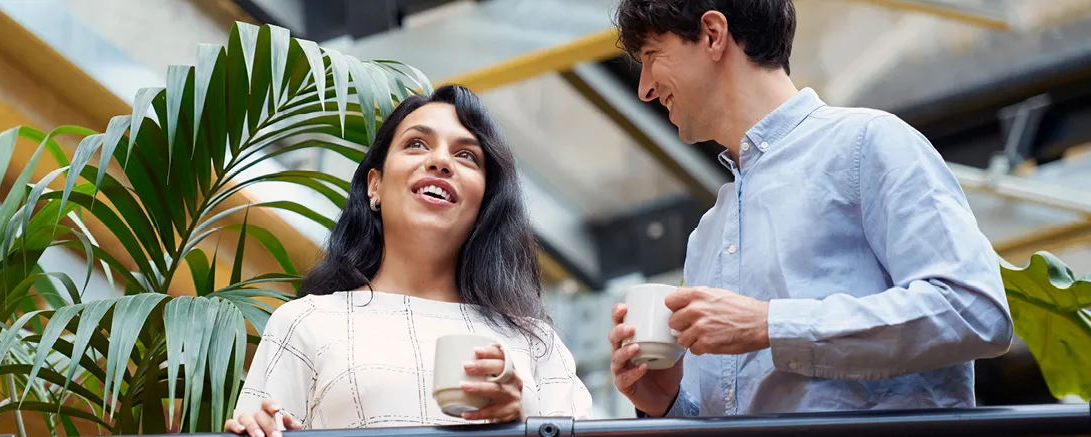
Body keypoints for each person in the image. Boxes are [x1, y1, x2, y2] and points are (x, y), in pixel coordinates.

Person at [606, 0, 1014, 418]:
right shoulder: (708, 234)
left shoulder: (867, 143)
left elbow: (973, 310)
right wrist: (667, 402)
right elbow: (725, 415)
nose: (645, 89)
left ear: (713, 34)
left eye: (653, 56)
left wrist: (770, 325)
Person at [225, 85, 592, 437]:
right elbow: (261, 427)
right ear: (375, 185)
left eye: (466, 155)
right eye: (416, 144)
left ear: (484, 205)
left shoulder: (535, 343)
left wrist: (525, 416)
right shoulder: (306, 322)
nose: (440, 161)